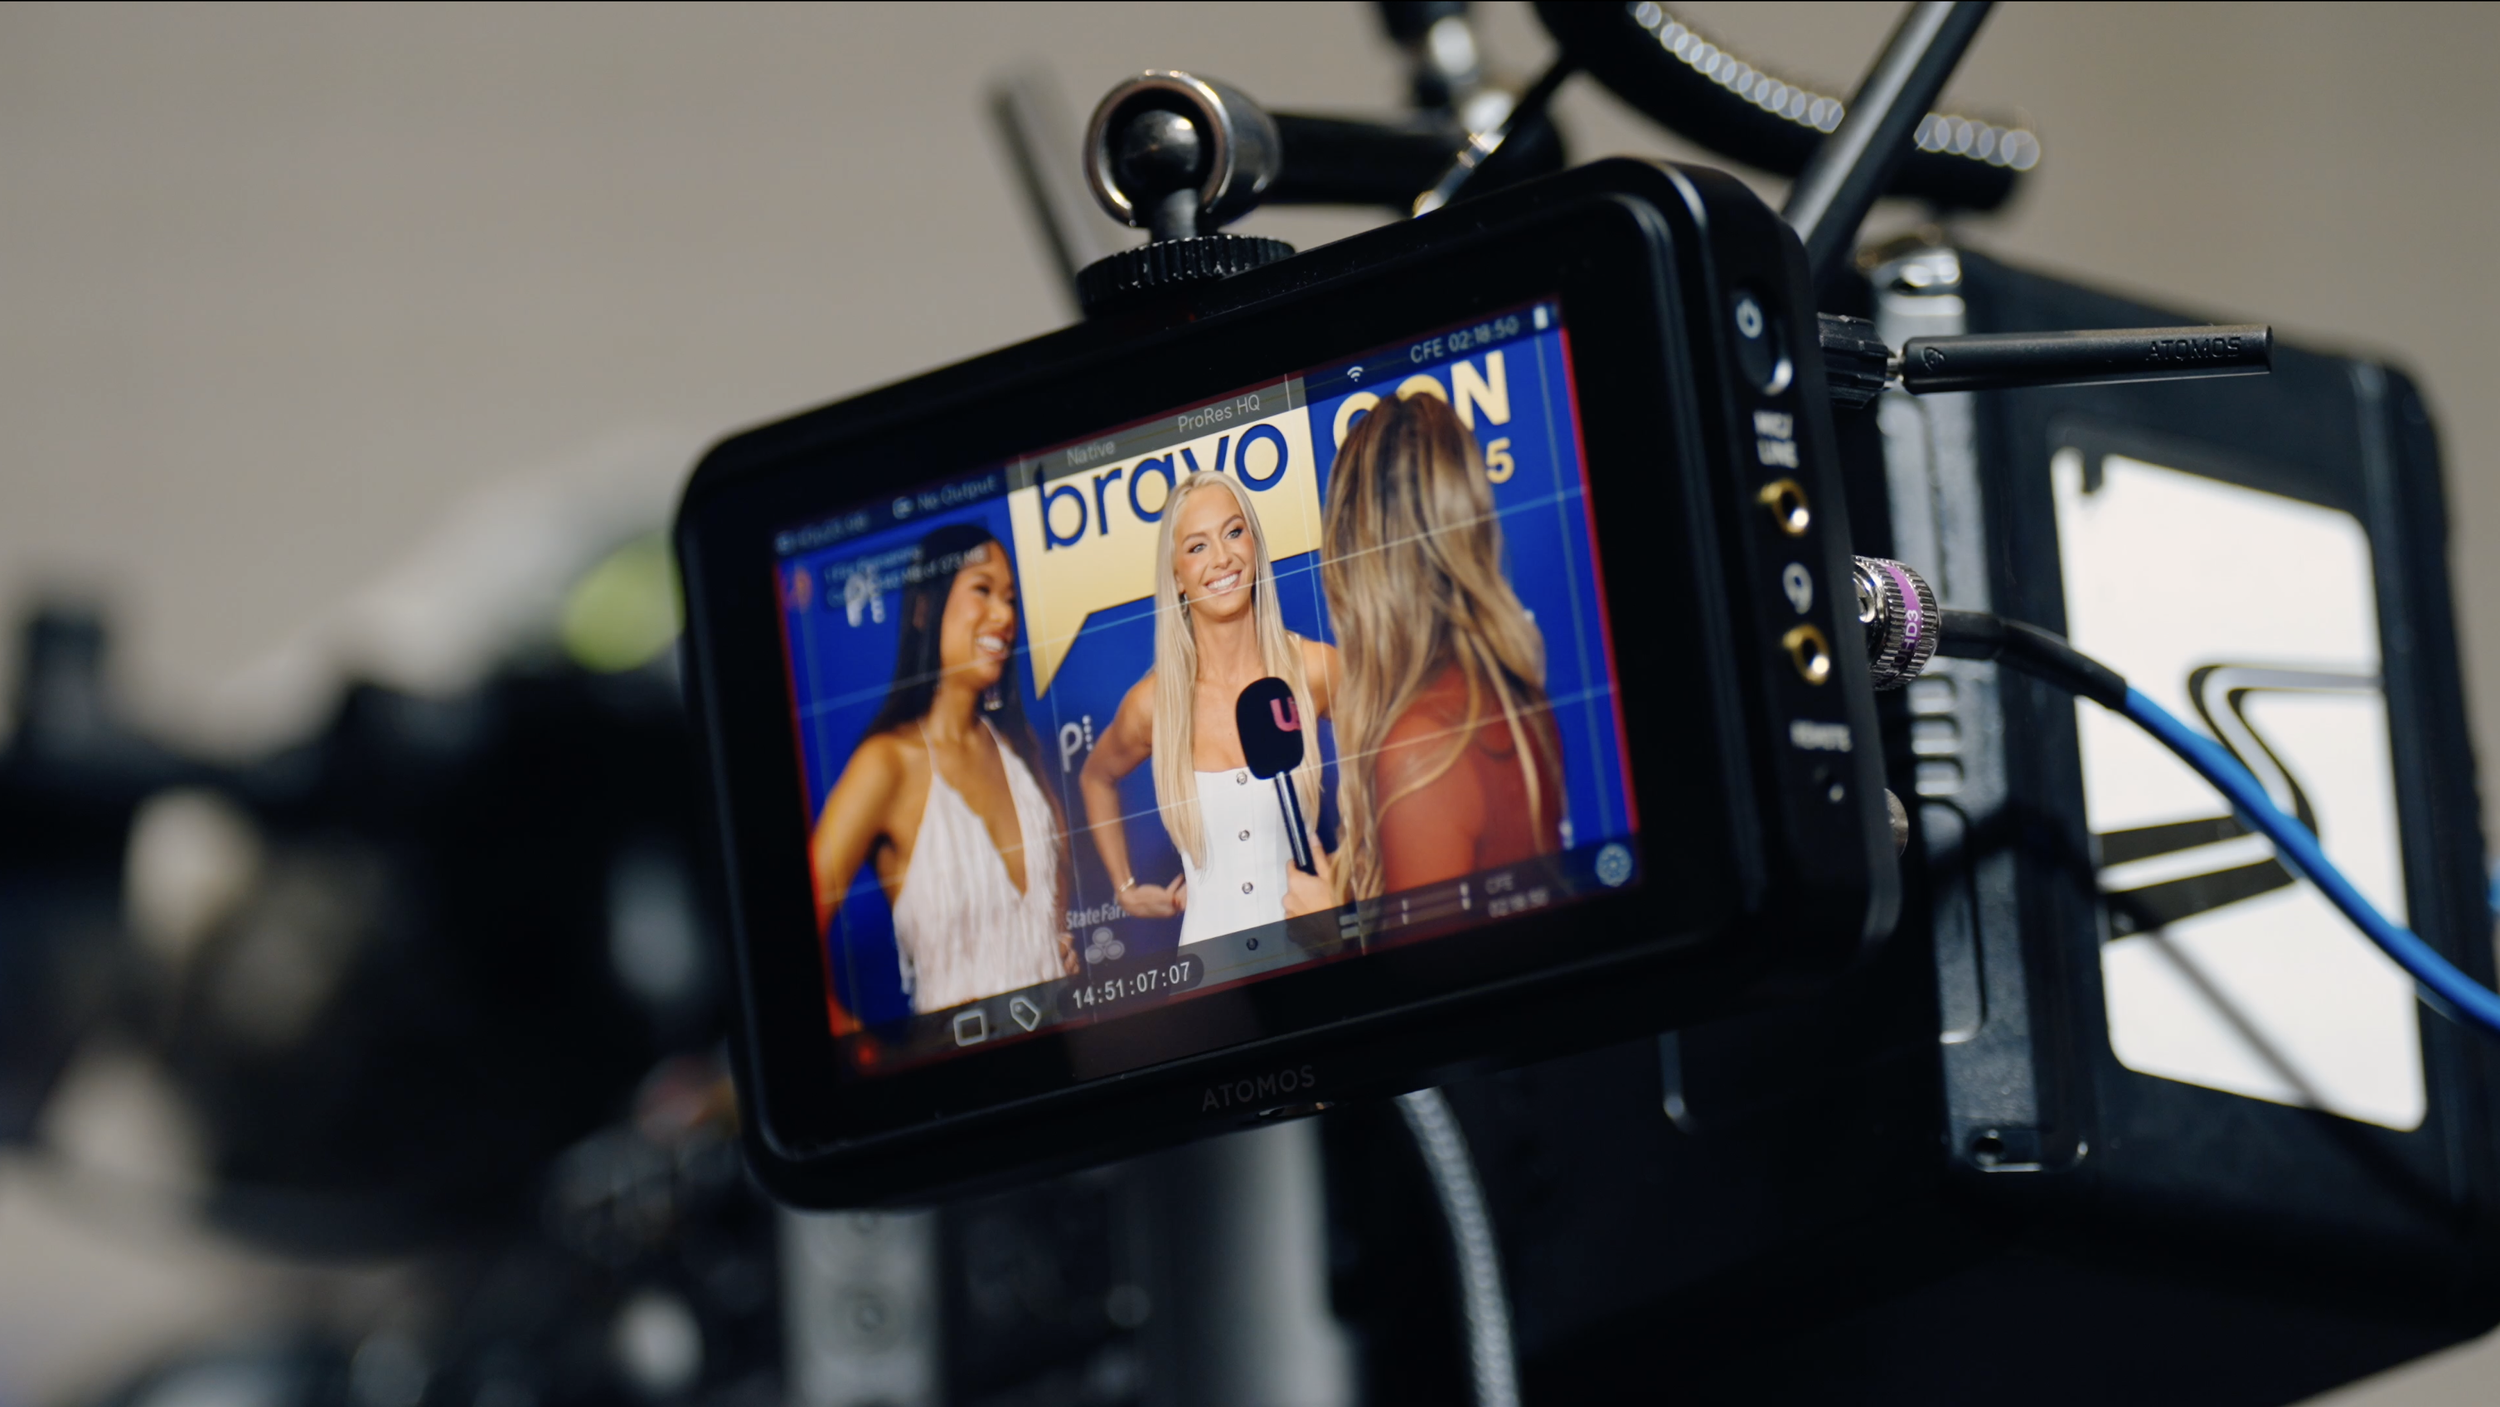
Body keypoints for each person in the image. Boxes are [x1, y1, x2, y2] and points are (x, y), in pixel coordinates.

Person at [807, 523, 1076, 1021]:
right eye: (983, 590)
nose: (1003, 616)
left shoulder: (1019, 750)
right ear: (925, 607)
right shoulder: (888, 763)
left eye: (1011, 599)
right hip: (964, 1084)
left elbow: (1052, 915)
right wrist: (872, 1065)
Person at [1321, 391, 1564, 903]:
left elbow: (1437, 982)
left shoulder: (1422, 748)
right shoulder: (1515, 692)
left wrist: (1330, 939)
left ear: (1353, 553)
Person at [1080, 471, 1339, 943]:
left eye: (1234, 533)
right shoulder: (1153, 704)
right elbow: (1096, 777)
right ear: (1177, 576)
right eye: (1198, 547)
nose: (1222, 558)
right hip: (1211, 988)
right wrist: (1126, 887)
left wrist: (1349, 867)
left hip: (1314, 955)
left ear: (1255, 547)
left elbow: (1393, 744)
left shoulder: (1312, 668)